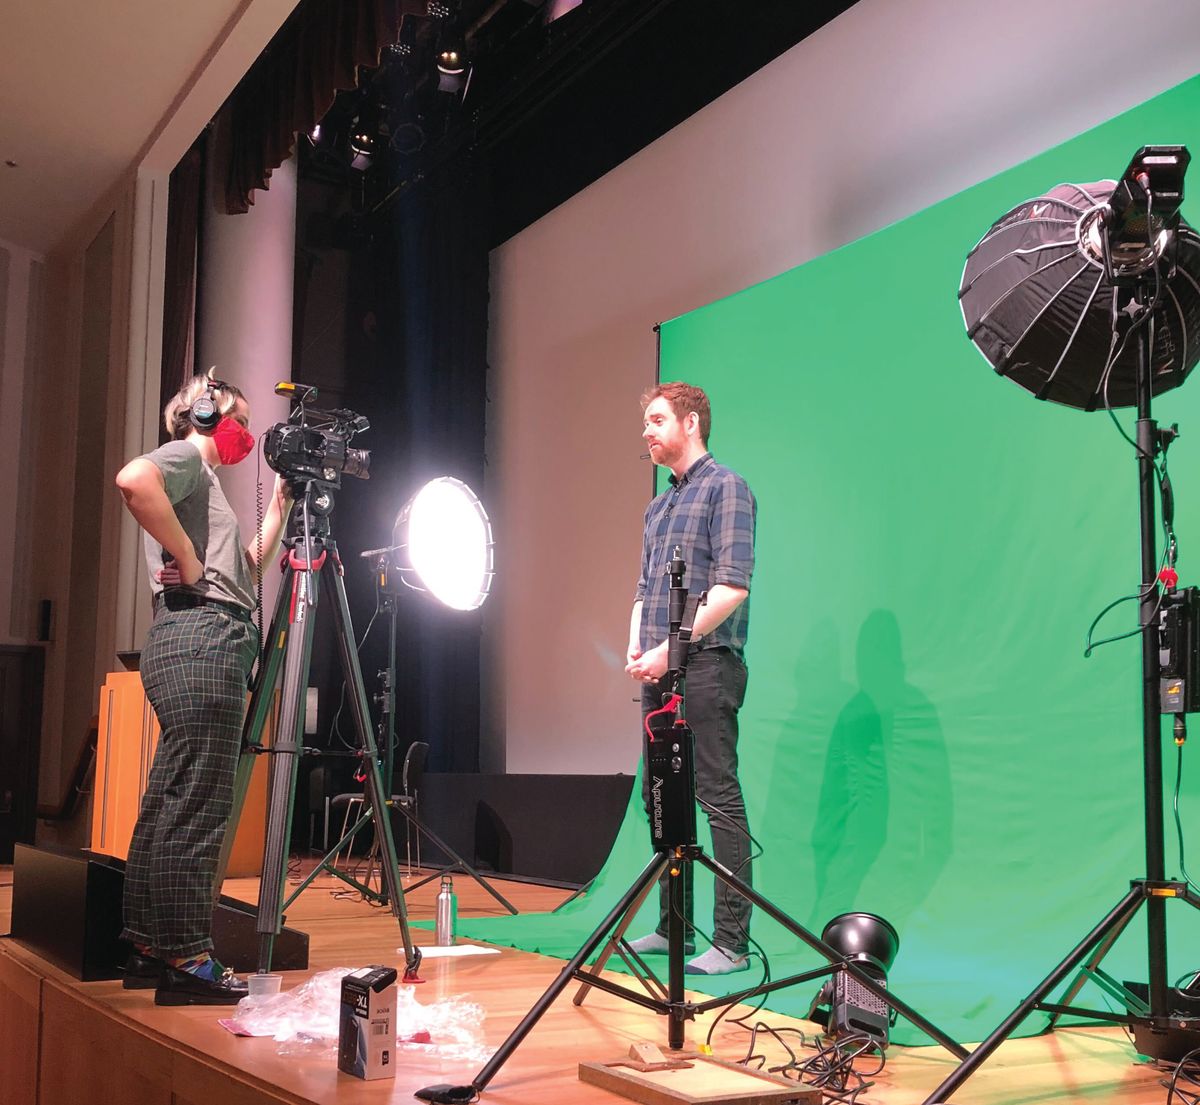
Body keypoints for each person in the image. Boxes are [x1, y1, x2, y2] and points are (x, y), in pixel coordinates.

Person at [114, 372, 290, 1005]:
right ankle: (188, 956)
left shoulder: (203, 482)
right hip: (203, 638)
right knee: (200, 804)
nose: (246, 431)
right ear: (210, 414)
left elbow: (245, 568)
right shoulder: (186, 456)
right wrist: (188, 558)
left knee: (170, 798)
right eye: (239, 416)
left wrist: (282, 504)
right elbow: (133, 481)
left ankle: (147, 946)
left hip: (187, 638)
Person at [625, 381, 756, 976]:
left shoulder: (726, 488)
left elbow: (730, 586)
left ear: (691, 423)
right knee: (663, 797)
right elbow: (644, 590)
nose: (647, 431)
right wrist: (638, 644)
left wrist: (669, 649)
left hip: (705, 666)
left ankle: (730, 941)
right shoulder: (659, 506)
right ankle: (671, 925)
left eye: (656, 419)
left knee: (715, 796)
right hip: (659, 668)